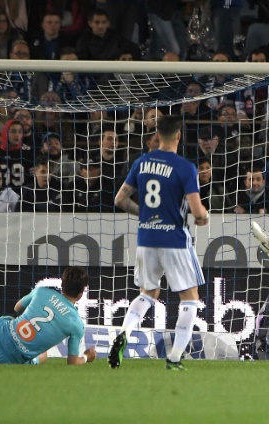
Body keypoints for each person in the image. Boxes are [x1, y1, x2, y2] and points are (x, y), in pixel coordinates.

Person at [107, 115, 209, 371]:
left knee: (148, 293)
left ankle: (124, 332)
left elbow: (120, 200)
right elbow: (197, 211)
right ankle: (175, 358)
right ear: (178, 136)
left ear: (157, 136)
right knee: (190, 297)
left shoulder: (141, 162)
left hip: (146, 238)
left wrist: (144, 214)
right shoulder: (185, 167)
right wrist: (204, 216)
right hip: (174, 239)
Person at [0, 267, 96, 365]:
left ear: (62, 285)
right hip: (6, 361)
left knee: (5, 320)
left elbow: (17, 308)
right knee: (42, 356)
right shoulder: (76, 324)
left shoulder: (41, 291)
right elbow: (72, 362)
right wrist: (86, 357)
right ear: (81, 293)